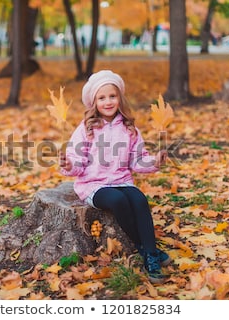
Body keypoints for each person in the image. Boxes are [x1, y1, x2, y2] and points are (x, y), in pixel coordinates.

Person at [59, 70, 171, 284]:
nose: (108, 102)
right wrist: (69, 164)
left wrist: (154, 162)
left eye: (112, 96)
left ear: (120, 98)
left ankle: (150, 255)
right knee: (118, 200)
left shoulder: (130, 130)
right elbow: (77, 161)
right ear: (94, 102)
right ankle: (148, 250)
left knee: (138, 199)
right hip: (93, 185)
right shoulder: (86, 129)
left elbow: (137, 160)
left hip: (121, 180)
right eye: (102, 98)